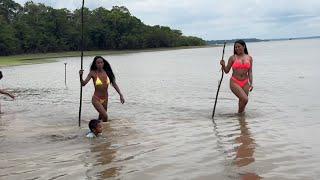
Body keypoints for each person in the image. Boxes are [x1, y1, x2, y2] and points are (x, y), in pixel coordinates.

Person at [79, 56, 125, 122]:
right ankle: (100, 129)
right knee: (105, 116)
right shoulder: (92, 73)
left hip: (105, 99)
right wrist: (80, 76)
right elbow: (83, 84)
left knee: (101, 118)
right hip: (96, 99)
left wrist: (121, 95)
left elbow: (114, 84)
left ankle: (99, 129)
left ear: (103, 63)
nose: (100, 64)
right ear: (95, 64)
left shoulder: (107, 72)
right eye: (98, 63)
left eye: (101, 62)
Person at [220, 40, 253, 114]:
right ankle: (239, 115)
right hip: (235, 82)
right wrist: (223, 65)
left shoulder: (249, 58)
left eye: (239, 47)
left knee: (243, 102)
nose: (237, 49)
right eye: (235, 47)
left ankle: (241, 120)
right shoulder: (232, 58)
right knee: (245, 99)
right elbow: (226, 71)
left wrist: (251, 83)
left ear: (244, 46)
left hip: (245, 82)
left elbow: (250, 72)